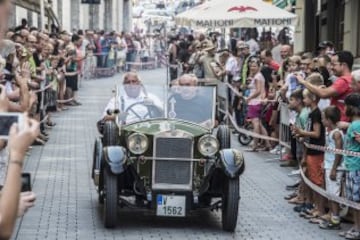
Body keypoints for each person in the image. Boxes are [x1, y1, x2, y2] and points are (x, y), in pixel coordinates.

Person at [297, 51, 353, 121]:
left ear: (343, 65)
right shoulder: (350, 79)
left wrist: (303, 82)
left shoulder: (344, 80)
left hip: (340, 123)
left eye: (333, 64)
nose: (331, 67)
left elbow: (323, 93)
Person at [319, 106, 344, 230]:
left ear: (329, 120)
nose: (322, 121)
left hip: (334, 168)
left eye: (323, 119)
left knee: (334, 194)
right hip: (328, 166)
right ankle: (333, 216)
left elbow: (338, 152)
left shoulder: (337, 134)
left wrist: (334, 168)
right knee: (330, 193)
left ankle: (335, 219)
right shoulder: (330, 133)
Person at [340, 93, 360, 239]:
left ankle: (357, 228)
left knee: (356, 200)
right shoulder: (354, 124)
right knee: (353, 199)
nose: (344, 108)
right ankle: (355, 226)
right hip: (351, 165)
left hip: (355, 167)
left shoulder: (356, 125)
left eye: (346, 106)